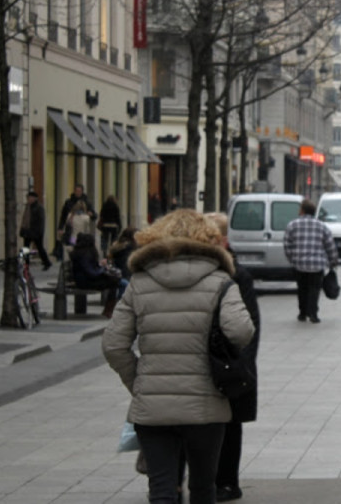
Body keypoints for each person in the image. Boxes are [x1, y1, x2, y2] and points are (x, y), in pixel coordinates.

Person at [101, 209, 255, 504]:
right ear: (209, 239)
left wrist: (140, 382)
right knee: (202, 487)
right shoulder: (221, 282)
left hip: (153, 407)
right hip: (206, 405)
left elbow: (113, 344)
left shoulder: (140, 282)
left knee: (161, 490)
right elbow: (241, 331)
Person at [205, 213, 261, 502]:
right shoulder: (202, 274)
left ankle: (227, 481)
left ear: (222, 240)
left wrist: (241, 366)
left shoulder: (238, 276)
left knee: (229, 424)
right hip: (205, 362)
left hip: (229, 363)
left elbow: (250, 327)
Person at [283, 199, 338, 323]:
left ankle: (302, 313)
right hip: (317, 265)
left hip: (299, 264)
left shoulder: (292, 225)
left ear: (302, 210)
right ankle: (313, 313)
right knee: (314, 289)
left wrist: (291, 258)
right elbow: (330, 245)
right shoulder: (322, 226)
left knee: (302, 288)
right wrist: (333, 260)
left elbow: (287, 244)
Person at [71, 233, 127, 318]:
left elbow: (91, 269)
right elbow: (91, 272)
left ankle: (110, 309)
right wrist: (103, 271)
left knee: (116, 281)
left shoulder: (81, 252)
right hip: (86, 282)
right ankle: (110, 310)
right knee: (115, 282)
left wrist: (102, 267)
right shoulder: (85, 254)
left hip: (83, 280)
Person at [19, 191, 52, 270]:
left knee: (40, 248)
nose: (28, 199)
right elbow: (25, 219)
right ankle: (26, 264)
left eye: (30, 198)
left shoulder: (39, 207)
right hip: (28, 231)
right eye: (28, 198)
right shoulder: (28, 207)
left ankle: (47, 262)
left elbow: (41, 221)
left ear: (34, 198)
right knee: (26, 248)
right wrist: (23, 229)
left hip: (36, 232)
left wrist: (39, 232)